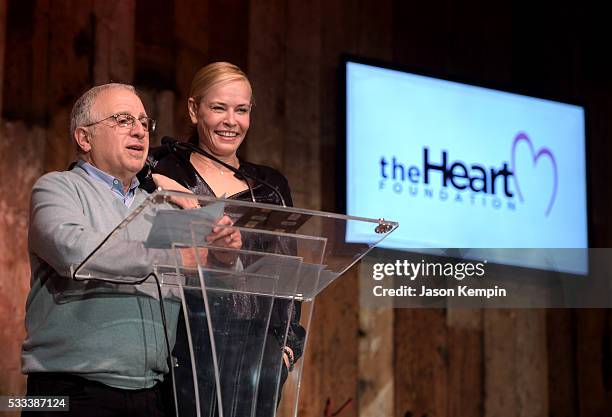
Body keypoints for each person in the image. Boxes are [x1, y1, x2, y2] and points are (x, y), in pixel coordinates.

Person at [21, 83, 239, 417]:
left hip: (150, 394)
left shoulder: (163, 208)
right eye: (123, 120)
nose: (139, 130)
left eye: (143, 122)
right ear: (84, 138)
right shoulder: (57, 189)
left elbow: (218, 285)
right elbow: (76, 253)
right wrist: (176, 259)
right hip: (68, 392)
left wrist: (225, 257)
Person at [139, 62, 305, 417]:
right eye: (219, 108)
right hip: (181, 346)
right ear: (193, 109)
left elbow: (286, 275)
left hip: (255, 355)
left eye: (241, 110)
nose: (232, 120)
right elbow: (125, 166)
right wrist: (159, 180)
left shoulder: (270, 187)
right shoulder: (163, 167)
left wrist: (287, 347)